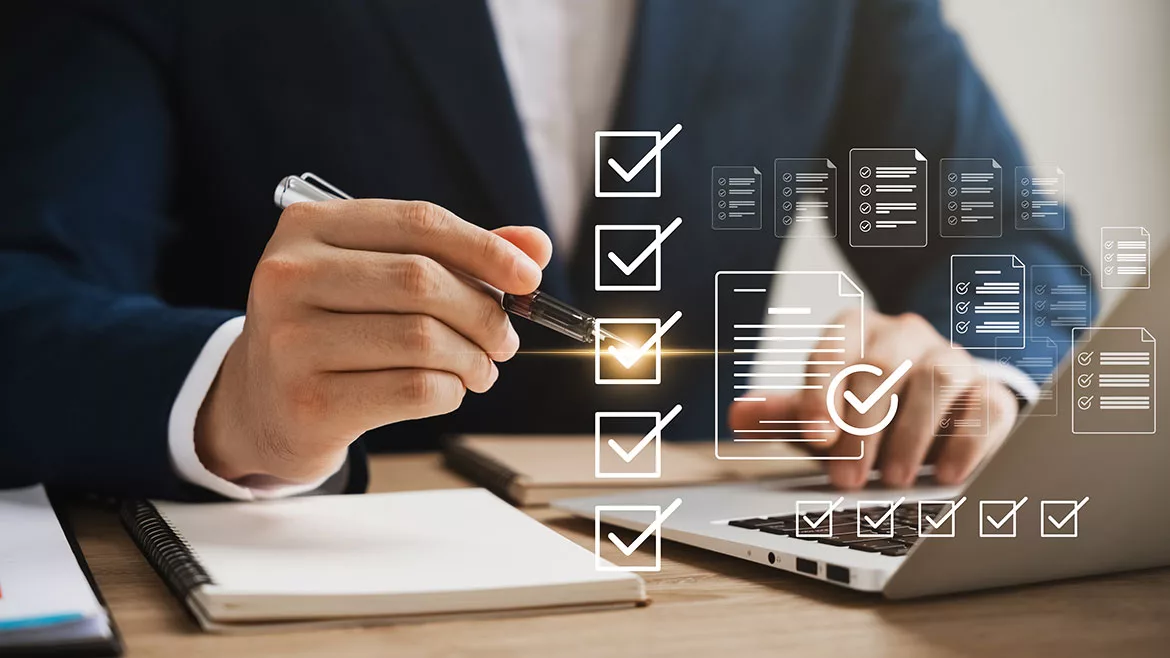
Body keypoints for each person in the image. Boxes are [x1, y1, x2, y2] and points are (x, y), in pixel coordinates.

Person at [0, 0, 1091, 500]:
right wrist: (228, 396)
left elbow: (1007, 239)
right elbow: (22, 287)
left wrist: (968, 367)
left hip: (716, 597)